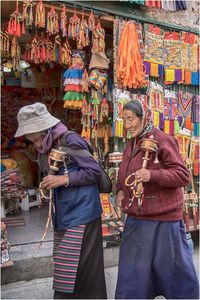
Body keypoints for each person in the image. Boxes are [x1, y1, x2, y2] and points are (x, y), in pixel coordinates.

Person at [15, 102, 107, 299]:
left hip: (83, 214)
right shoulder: (48, 146)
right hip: (65, 214)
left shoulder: (70, 140)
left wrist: (64, 179)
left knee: (84, 270)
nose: (37, 144)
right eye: (32, 140)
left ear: (46, 129)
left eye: (37, 138)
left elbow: (94, 172)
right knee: (67, 268)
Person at [115, 100, 199, 299]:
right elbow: (124, 171)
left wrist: (152, 175)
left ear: (143, 118)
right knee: (133, 272)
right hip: (137, 217)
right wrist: (120, 189)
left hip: (164, 220)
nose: (127, 125)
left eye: (131, 119)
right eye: (124, 119)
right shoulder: (133, 142)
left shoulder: (162, 139)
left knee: (172, 271)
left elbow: (182, 176)